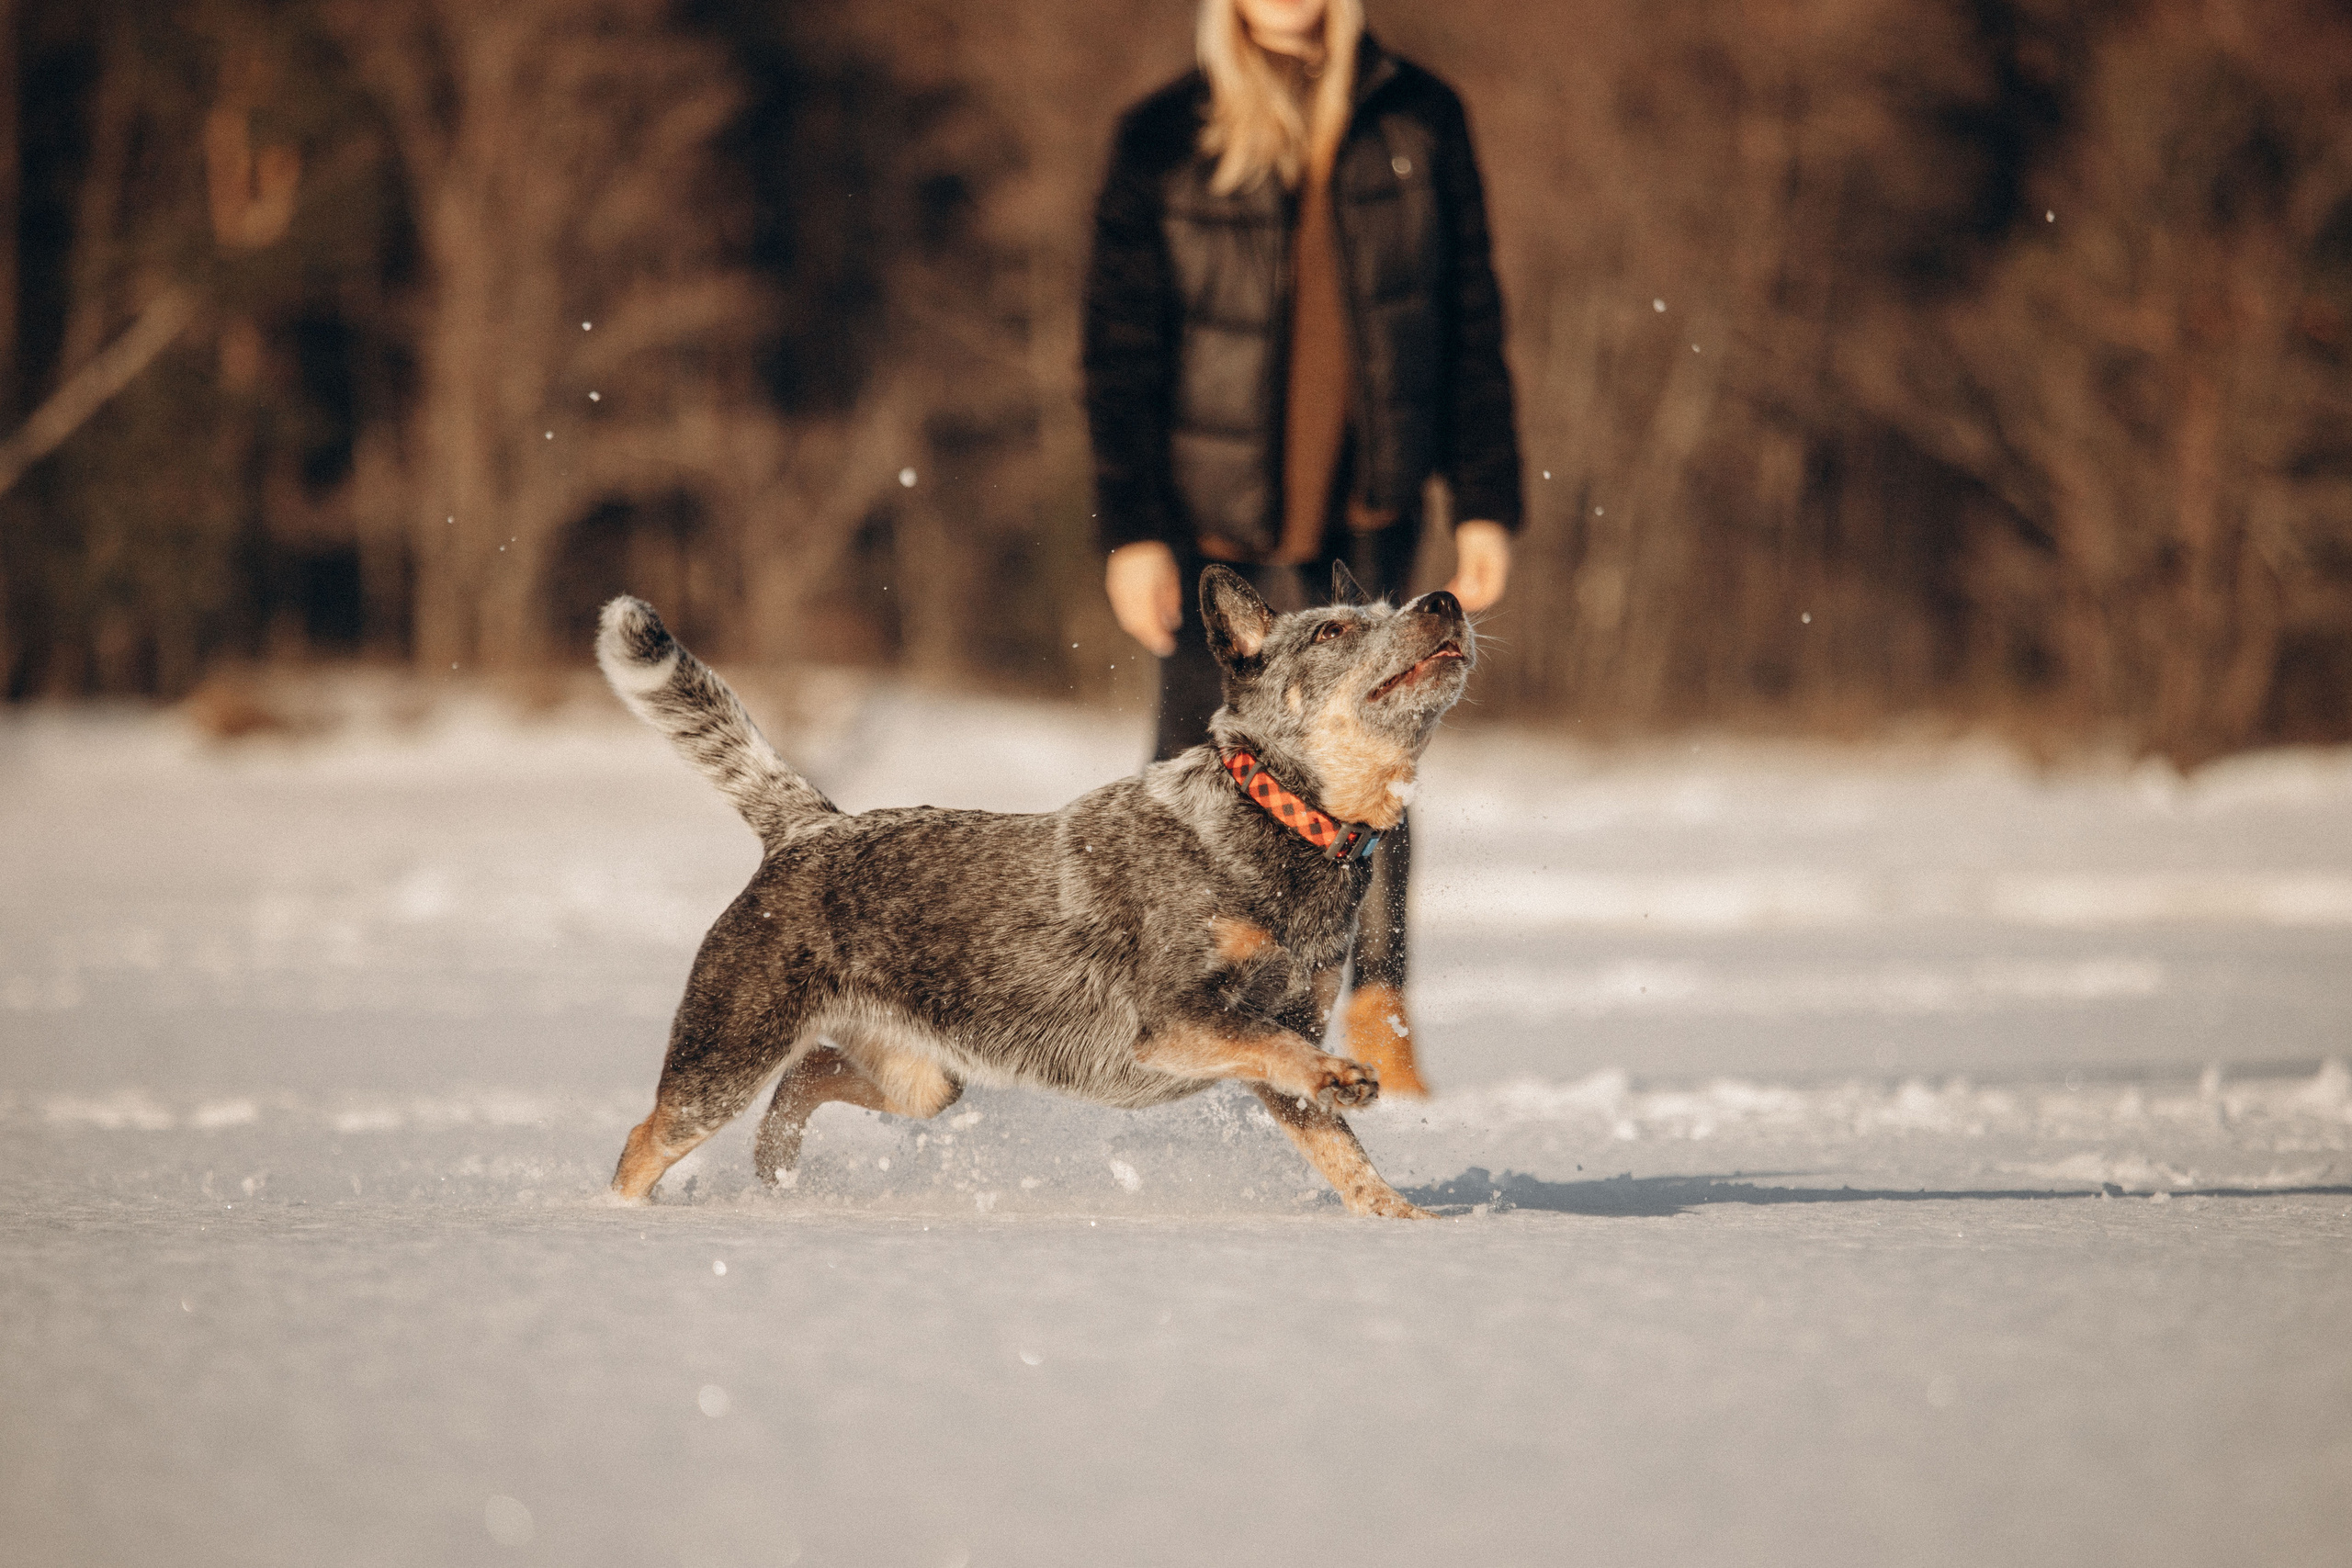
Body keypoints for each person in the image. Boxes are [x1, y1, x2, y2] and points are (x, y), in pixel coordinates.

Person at [1082, 0, 1521, 1096]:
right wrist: (1131, 528)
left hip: (1366, 494)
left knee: (1372, 762)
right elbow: (1119, 348)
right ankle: (1172, 1008)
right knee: (1193, 767)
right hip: (1200, 513)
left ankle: (1376, 1006)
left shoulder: (1419, 117)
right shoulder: (1162, 133)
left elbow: (1470, 317)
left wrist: (1484, 498)